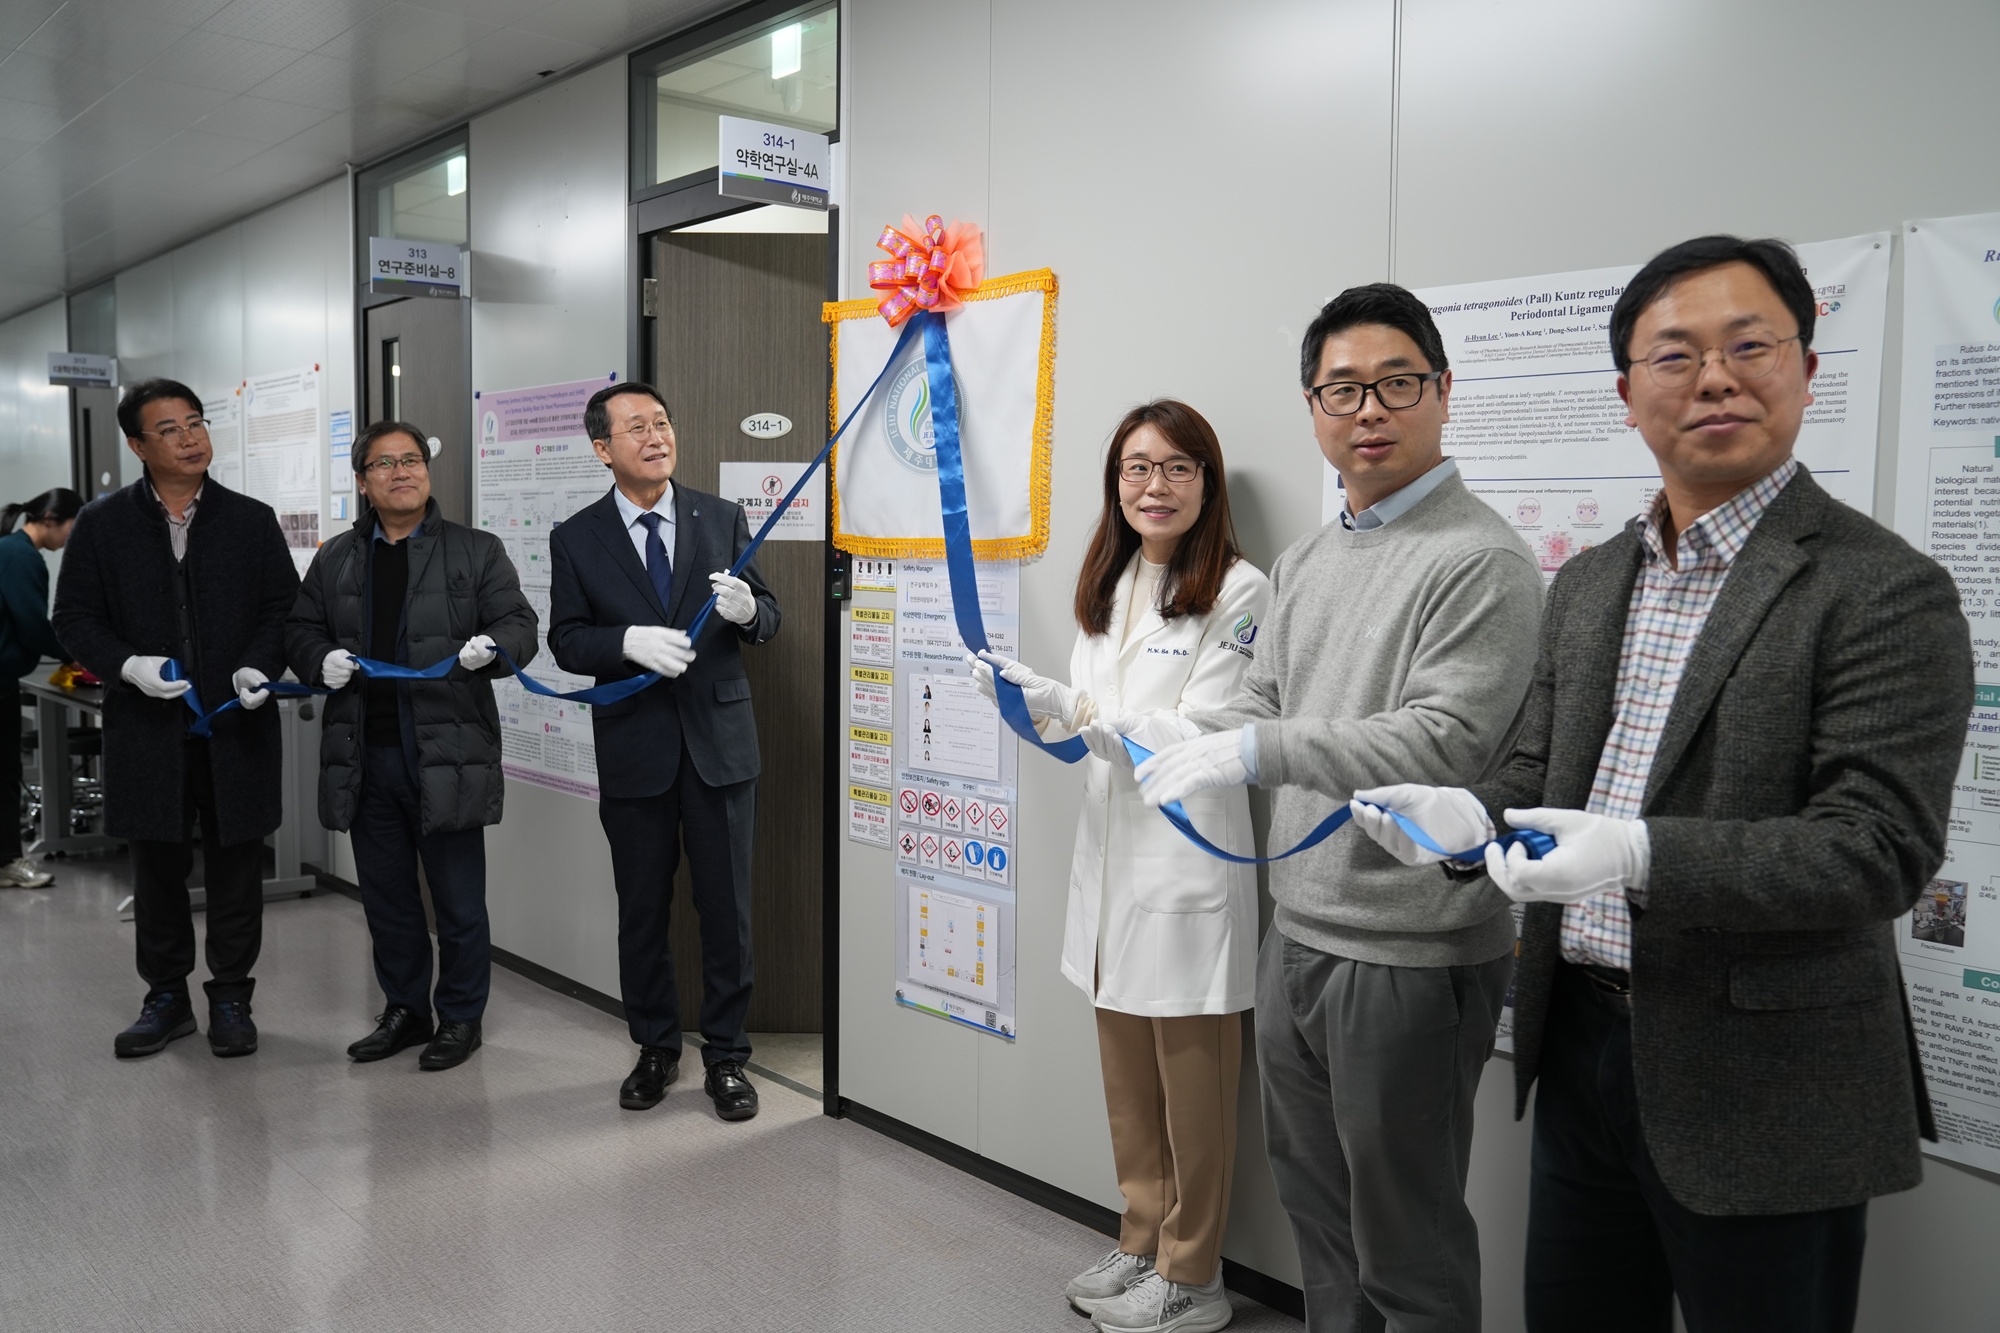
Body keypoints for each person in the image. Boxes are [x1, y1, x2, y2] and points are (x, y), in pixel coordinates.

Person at [1350, 237, 1973, 1333]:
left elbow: (1874, 847)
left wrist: (1640, 852)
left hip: (1766, 1079)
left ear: (1805, 368)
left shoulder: (1882, 589)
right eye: (1675, 355)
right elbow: (1538, 772)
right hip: (1583, 1043)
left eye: (1749, 346)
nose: (1715, 379)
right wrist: (1467, 821)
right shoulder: (1591, 581)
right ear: (1627, 393)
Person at [1121, 285, 1547, 1331]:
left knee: (1404, 1242)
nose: (1368, 411)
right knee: (1320, 1224)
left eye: (1395, 383)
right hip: (1298, 932)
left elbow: (1441, 740)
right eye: (1341, 389)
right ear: (1311, 407)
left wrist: (1252, 746)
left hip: (1408, 950)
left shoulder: (1478, 559)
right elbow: (1266, 698)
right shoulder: (1311, 558)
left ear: (1442, 392)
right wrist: (1189, 731)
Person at [968, 400, 1270, 1333]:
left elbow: (1216, 728)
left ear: (1207, 483)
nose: (1155, 486)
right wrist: (1036, 702)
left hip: (1187, 869)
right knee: (1128, 1083)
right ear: (1116, 485)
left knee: (1193, 1089)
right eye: (1137, 468)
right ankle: (1142, 1235)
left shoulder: (1241, 590)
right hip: (1108, 866)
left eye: (1178, 468)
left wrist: (1084, 713)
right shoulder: (1106, 583)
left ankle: (1196, 1272)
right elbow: (1085, 718)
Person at [548, 382, 779, 1121]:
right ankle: (654, 1048)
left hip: (719, 748)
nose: (656, 436)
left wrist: (750, 611)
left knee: (726, 912)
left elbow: (766, 611)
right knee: (643, 910)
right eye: (635, 427)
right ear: (601, 449)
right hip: (636, 751)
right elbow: (566, 639)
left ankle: (728, 1057)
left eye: (662, 422)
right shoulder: (577, 536)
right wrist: (624, 643)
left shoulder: (720, 515)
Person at [54, 379, 299, 1059]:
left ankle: (230, 995)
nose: (191, 437)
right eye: (170, 428)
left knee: (236, 864)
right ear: (137, 444)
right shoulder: (103, 525)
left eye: (196, 421)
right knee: (156, 867)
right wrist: (125, 664)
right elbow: (73, 617)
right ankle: (165, 996)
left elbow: (284, 609)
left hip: (235, 725)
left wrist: (258, 663)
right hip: (147, 730)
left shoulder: (250, 519)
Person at [286, 421, 538, 1071]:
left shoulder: (475, 550)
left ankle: (459, 1016)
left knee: (457, 899)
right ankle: (405, 1008)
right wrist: (321, 659)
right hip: (364, 755)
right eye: (385, 463)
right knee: (388, 898)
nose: (403, 472)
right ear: (363, 481)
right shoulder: (337, 557)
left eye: (413, 460)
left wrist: (496, 647)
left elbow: (519, 626)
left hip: (446, 753)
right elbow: (299, 631)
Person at [0, 487, 83, 889]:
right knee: (5, 772)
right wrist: (74, 655)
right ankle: (9, 862)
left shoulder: (11, 549)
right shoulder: (21, 556)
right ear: (50, 520)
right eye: (71, 527)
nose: (70, 538)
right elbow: (33, 625)